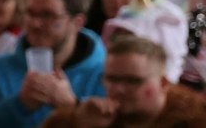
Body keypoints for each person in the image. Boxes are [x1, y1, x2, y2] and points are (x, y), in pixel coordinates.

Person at [0, 0, 106, 128]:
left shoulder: (105, 75)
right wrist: (20, 105)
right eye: (30, 13)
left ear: (77, 23)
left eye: (48, 15)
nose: (35, 23)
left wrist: (72, 108)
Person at [36, 33, 205, 128]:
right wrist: (77, 123)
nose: (118, 89)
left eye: (132, 81)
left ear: (163, 83)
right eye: (111, 79)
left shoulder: (195, 120)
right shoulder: (96, 118)